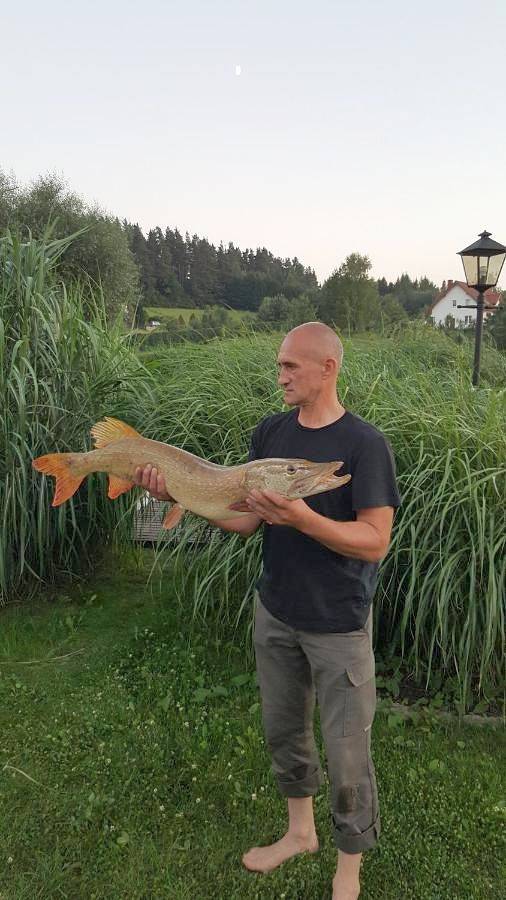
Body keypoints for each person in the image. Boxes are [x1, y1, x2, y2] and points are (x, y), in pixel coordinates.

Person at [134, 322, 401, 900]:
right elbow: (245, 520)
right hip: (275, 610)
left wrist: (304, 519)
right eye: (279, 365)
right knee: (284, 731)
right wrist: (179, 494)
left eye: (290, 366)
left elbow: (375, 541)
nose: (279, 376)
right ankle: (300, 833)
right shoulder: (271, 432)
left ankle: (349, 868)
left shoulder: (365, 444)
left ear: (328, 368)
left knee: (347, 751)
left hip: (338, 622)